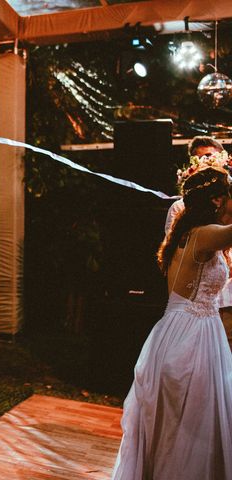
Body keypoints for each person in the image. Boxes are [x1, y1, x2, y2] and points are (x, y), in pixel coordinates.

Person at [112, 166, 232, 479]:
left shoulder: (187, 232)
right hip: (193, 339)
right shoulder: (205, 235)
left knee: (179, 430)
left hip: (178, 330)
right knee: (194, 431)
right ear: (217, 200)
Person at [165, 137, 232, 352]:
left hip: (205, 321)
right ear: (217, 200)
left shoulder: (199, 229)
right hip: (194, 329)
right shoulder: (203, 233)